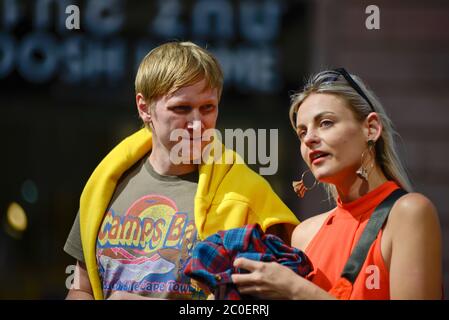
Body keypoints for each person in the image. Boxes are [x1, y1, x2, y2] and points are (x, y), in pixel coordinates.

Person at [63, 41, 299, 300]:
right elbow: (81, 288)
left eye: (207, 108)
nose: (197, 123)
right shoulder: (105, 183)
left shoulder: (248, 196)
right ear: (144, 108)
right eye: (181, 108)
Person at [231, 68, 442, 299]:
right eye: (302, 133)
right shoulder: (304, 235)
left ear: (371, 128)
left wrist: (297, 289)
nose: (309, 138)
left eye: (326, 123)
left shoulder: (408, 213)